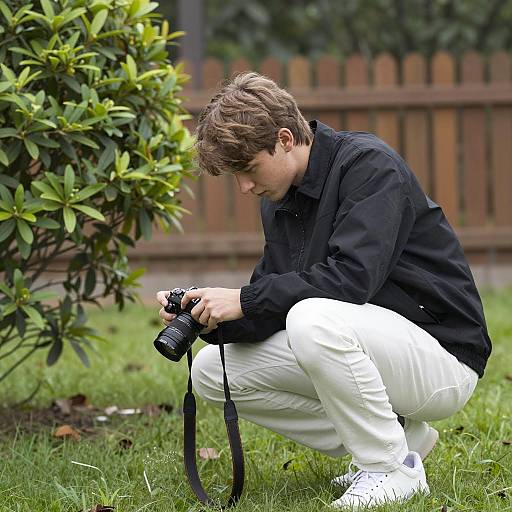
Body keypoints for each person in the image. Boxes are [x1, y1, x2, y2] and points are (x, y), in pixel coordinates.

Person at [156, 72, 491, 509]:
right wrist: (207, 314)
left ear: (285, 139)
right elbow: (271, 305)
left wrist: (243, 298)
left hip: (443, 359)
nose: (244, 187)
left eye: (249, 169)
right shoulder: (279, 200)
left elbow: (350, 281)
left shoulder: (369, 167)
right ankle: (400, 438)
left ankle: (390, 469)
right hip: (372, 348)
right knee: (212, 371)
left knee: (312, 318)